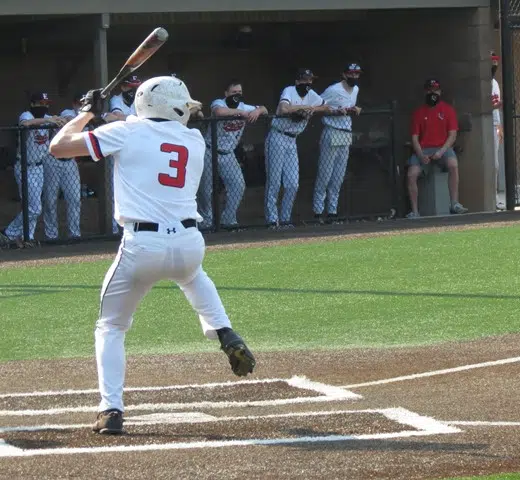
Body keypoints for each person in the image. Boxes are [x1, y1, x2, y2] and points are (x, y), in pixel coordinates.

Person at [49, 76, 256, 435]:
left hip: (142, 246)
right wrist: (107, 116)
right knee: (193, 277)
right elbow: (145, 135)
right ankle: (223, 330)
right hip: (190, 241)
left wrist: (86, 113)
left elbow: (58, 147)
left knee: (111, 327)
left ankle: (110, 409)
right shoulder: (194, 139)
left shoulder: (127, 132)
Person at [264, 68, 330, 229]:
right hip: (278, 136)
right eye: (305, 80)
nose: (308, 83)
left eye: (310, 80)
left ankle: (285, 219)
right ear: (297, 81)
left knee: (293, 183)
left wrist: (312, 108)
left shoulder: (312, 95)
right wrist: (300, 108)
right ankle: (272, 220)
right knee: (274, 181)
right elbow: (283, 109)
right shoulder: (290, 90)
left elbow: (327, 107)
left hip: (292, 140)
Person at [198, 79, 267, 230]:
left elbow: (265, 109)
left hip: (228, 154)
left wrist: (257, 110)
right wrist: (241, 113)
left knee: (238, 185)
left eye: (239, 93)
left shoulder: (245, 106)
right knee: (205, 189)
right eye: (234, 92)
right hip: (210, 151)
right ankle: (206, 221)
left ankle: (228, 219)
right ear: (226, 93)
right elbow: (219, 112)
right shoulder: (220, 103)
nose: (237, 95)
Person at [0, 92, 66, 248]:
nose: (44, 106)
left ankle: (26, 237)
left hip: (39, 167)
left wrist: (63, 120)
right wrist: (48, 120)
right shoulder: (27, 115)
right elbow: (25, 124)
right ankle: (9, 233)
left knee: (34, 207)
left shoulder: (47, 118)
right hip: (25, 166)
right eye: (41, 103)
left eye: (46, 103)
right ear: (33, 104)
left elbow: (59, 120)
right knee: (34, 207)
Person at [406, 78, 468, 218]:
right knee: (411, 174)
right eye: (429, 90)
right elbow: (415, 138)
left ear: (440, 91)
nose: (432, 93)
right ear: (425, 92)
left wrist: (441, 152)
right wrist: (421, 155)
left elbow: (452, 135)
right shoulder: (418, 112)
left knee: (453, 164)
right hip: (423, 149)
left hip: (442, 148)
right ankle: (415, 211)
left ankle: (454, 203)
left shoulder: (448, 110)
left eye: (435, 90)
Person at [312, 64, 363, 224]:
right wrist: (334, 111)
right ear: (344, 74)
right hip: (332, 129)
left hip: (345, 132)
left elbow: (349, 107)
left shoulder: (355, 90)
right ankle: (318, 212)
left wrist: (354, 109)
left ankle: (332, 211)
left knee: (338, 175)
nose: (354, 76)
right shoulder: (334, 89)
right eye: (351, 73)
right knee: (325, 173)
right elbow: (317, 106)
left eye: (357, 74)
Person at [40, 93, 83, 240]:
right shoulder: (68, 112)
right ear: (74, 103)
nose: (81, 106)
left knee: (75, 199)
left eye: (83, 103)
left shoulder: (87, 116)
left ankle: (75, 234)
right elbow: (69, 119)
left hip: (70, 162)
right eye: (79, 103)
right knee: (50, 200)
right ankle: (51, 235)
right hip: (52, 161)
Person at [103, 75, 142, 234]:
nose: (133, 90)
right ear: (123, 87)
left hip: (136, 152)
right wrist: (137, 119)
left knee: (137, 190)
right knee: (116, 190)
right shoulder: (116, 100)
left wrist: (128, 119)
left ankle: (133, 226)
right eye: (130, 86)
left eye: (135, 86)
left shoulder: (139, 100)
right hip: (118, 152)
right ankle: (114, 229)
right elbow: (115, 117)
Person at [491, 50, 505, 210]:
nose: (494, 65)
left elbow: (495, 109)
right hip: (484, 125)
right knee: (491, 164)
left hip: (494, 124)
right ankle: (489, 199)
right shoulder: (482, 83)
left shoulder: (494, 83)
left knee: (495, 165)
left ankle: (494, 198)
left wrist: (500, 126)